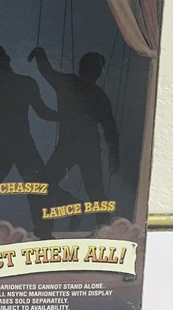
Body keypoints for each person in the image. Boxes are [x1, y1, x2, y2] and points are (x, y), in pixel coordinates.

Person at [0, 45, 69, 240]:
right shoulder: (24, 82)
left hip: (2, 144)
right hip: (19, 143)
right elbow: (43, 112)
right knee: (35, 186)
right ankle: (43, 229)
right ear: (6, 58)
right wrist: (66, 116)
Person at [28, 47, 120, 226]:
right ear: (98, 72)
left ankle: (84, 213)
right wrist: (114, 155)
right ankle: (103, 225)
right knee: (94, 190)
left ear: (81, 67)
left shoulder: (68, 83)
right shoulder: (98, 94)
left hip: (70, 146)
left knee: (44, 185)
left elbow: (47, 71)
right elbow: (110, 128)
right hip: (86, 146)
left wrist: (40, 54)